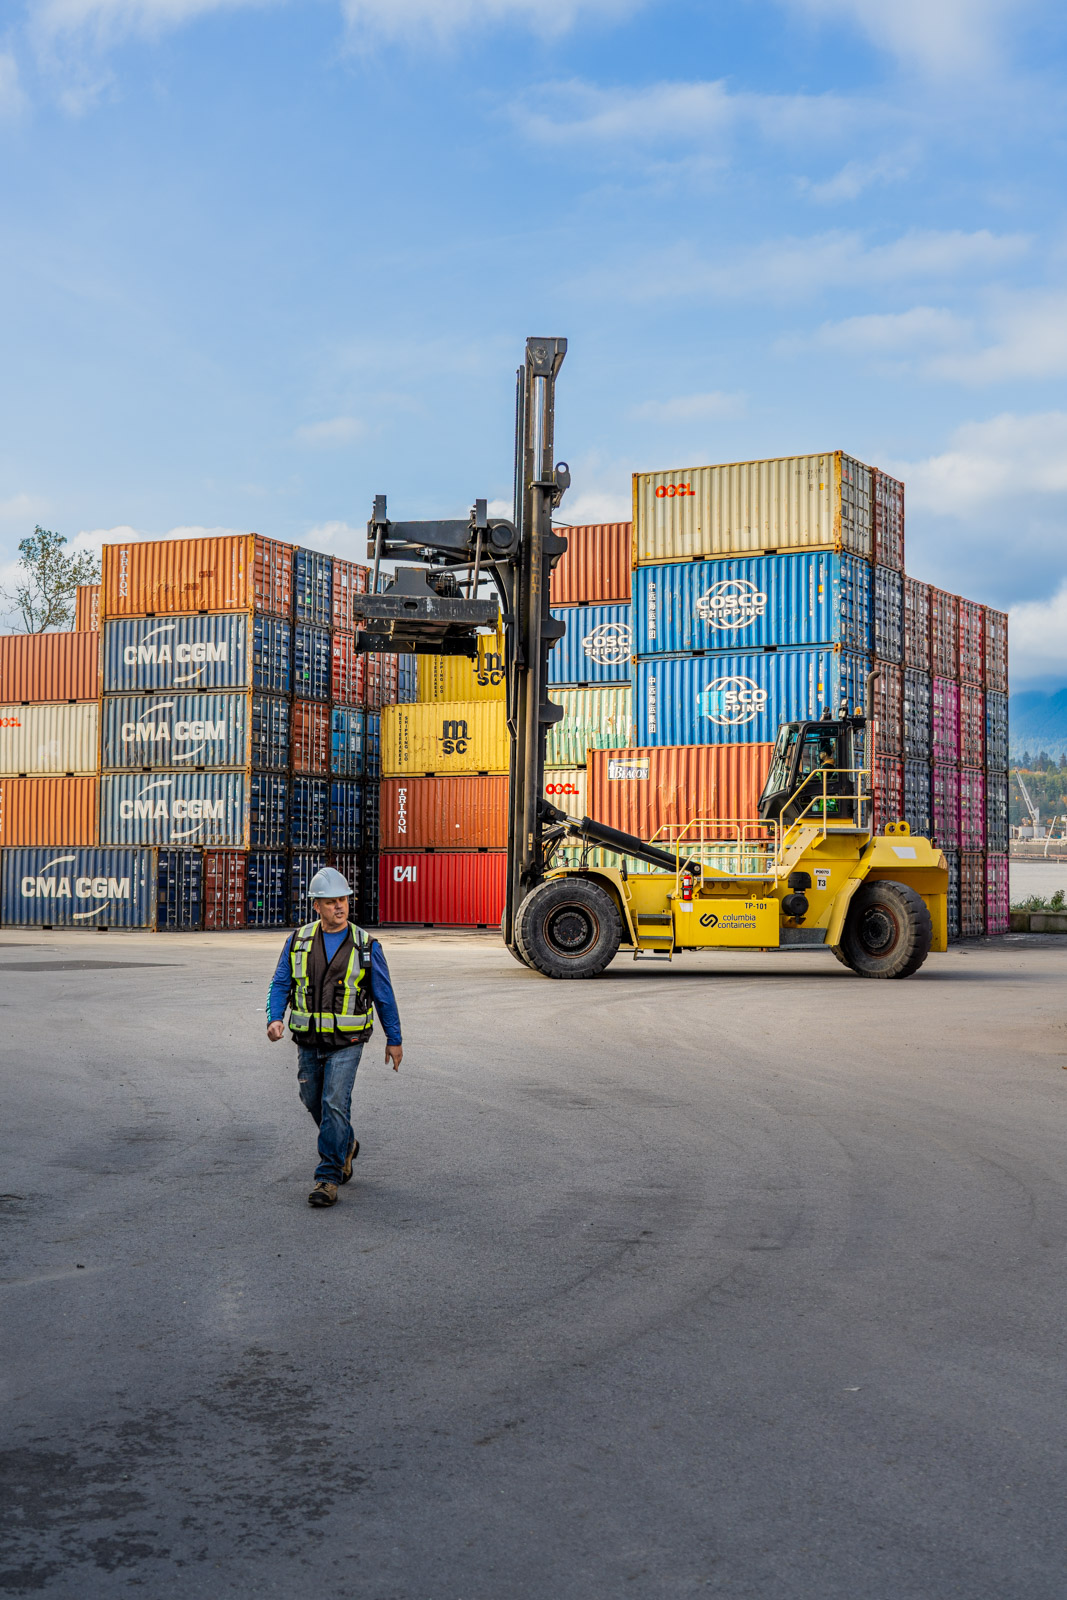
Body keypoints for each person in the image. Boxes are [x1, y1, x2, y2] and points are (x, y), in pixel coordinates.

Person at [266, 867, 403, 1209]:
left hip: (348, 1042)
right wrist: (275, 1018)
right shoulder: (298, 941)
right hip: (308, 1041)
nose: (339, 906)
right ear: (316, 906)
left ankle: (328, 1177)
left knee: (334, 1103)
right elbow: (281, 982)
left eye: (343, 899)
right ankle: (347, 1144)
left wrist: (394, 1038)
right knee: (312, 1099)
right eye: (331, 902)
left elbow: (384, 995)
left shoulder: (366, 945)